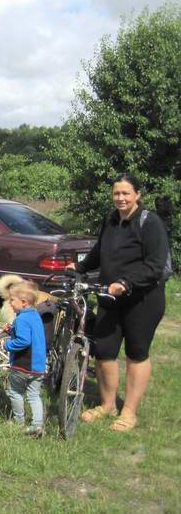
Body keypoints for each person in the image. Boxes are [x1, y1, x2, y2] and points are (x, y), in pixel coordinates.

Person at [69, 173, 170, 432]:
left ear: (137, 195)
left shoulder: (150, 222)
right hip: (109, 296)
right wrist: (79, 267)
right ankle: (108, 404)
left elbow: (155, 265)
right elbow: (99, 252)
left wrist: (126, 282)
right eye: (117, 193)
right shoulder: (111, 220)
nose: (121, 198)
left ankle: (129, 411)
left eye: (126, 193)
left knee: (136, 353)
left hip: (143, 299)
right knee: (103, 351)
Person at [3, 280, 47, 437]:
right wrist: (11, 328)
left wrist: (7, 345)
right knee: (34, 395)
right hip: (38, 366)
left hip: (23, 365)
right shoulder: (35, 316)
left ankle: (18, 421)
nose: (10, 303)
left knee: (15, 391)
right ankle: (37, 425)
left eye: (12, 300)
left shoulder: (21, 319)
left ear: (23, 302)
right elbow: (30, 334)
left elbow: (23, 341)